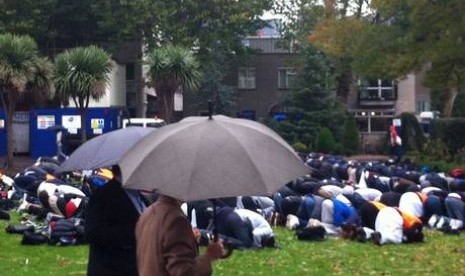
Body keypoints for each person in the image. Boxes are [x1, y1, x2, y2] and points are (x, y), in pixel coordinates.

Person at [136, 194, 224, 276]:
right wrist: (209, 256)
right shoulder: (175, 219)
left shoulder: (147, 214)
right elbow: (182, 271)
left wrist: (190, 240)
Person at [85, 167, 145, 276]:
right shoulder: (103, 195)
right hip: (112, 269)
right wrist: (134, 232)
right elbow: (92, 232)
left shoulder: (137, 194)